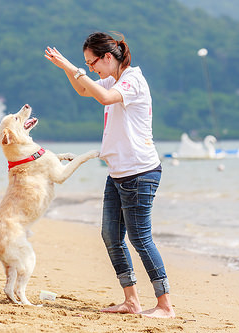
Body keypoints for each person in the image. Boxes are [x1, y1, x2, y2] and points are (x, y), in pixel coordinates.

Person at [44, 31, 175, 319]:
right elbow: (83, 90)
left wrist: (72, 67)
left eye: (93, 63)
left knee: (140, 238)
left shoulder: (132, 80)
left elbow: (103, 98)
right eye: (88, 65)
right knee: (111, 235)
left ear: (108, 57)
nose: (91, 69)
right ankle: (131, 301)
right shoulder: (113, 78)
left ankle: (165, 305)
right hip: (118, 172)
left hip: (140, 172)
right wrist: (68, 66)